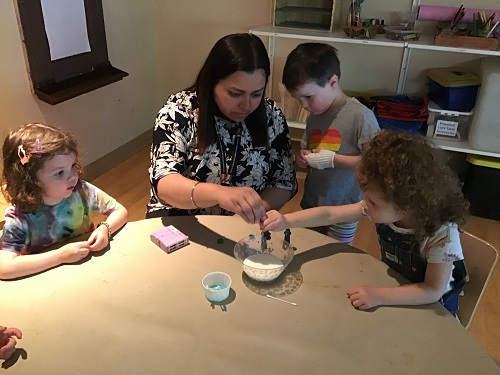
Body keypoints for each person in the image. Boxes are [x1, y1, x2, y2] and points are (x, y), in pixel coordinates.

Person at [260, 130, 469, 316]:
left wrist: (379, 295)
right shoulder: (389, 209)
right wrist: (285, 220)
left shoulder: (441, 234)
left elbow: (432, 290)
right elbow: (330, 214)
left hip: (433, 308)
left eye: (373, 202)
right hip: (397, 288)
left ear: (407, 205)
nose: (365, 205)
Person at [147, 33, 297, 224]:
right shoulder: (179, 112)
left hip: (243, 223)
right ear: (212, 83)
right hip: (183, 220)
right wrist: (218, 193)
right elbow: (165, 182)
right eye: (235, 94)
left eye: (256, 94)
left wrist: (251, 212)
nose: (247, 105)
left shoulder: (270, 115)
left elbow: (283, 182)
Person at [0, 123, 128, 280]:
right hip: (48, 280)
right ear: (31, 180)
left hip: (89, 272)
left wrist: (105, 229)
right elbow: (4, 268)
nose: (73, 176)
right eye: (60, 172)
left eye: (73, 166)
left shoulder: (81, 190)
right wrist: (60, 257)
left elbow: (120, 211)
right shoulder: (20, 216)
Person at [282, 42, 379, 244]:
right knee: (309, 247)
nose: (304, 106)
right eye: (299, 100)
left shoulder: (360, 116)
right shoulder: (315, 115)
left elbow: (374, 165)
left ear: (332, 82)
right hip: (313, 202)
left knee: (335, 255)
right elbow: (308, 149)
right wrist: (302, 157)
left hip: (345, 207)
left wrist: (333, 159)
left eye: (308, 97)